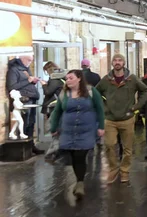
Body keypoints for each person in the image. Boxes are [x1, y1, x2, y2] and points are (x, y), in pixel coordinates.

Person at [49, 70, 105, 199]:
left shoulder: (91, 91)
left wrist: (101, 126)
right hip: (68, 130)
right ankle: (79, 180)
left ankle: (80, 183)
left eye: (71, 78)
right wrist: (53, 127)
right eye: (67, 78)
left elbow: (100, 108)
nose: (68, 80)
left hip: (87, 130)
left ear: (79, 78)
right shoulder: (65, 94)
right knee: (74, 155)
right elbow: (57, 111)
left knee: (80, 154)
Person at [96, 54, 147, 184]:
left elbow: (145, 90)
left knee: (127, 148)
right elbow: (96, 92)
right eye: (115, 60)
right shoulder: (106, 80)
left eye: (120, 60)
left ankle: (125, 171)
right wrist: (103, 108)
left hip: (127, 118)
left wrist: (136, 106)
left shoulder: (132, 79)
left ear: (124, 63)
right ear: (112, 63)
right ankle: (113, 169)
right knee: (109, 145)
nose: (117, 62)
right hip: (110, 119)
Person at [6, 55, 44, 154]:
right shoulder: (13, 70)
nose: (30, 62)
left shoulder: (26, 69)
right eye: (28, 60)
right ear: (22, 59)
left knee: (31, 123)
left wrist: (33, 82)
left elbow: (28, 83)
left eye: (31, 60)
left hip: (32, 98)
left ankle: (31, 146)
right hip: (24, 100)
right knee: (24, 123)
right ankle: (24, 148)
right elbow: (12, 86)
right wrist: (28, 80)